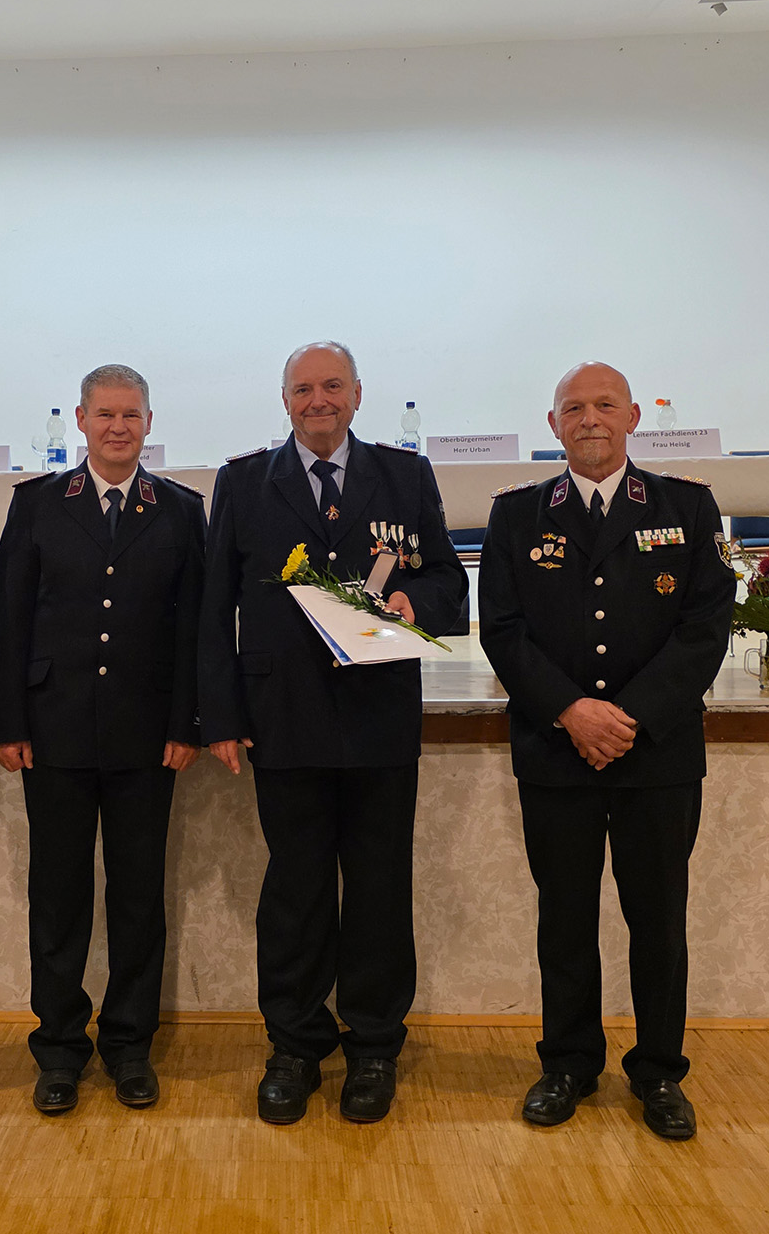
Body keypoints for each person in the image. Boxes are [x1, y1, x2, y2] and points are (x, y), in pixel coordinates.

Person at [198, 341, 467, 1125]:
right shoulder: (245, 480)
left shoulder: (405, 474)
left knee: (379, 887)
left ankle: (374, 1045)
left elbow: (449, 579)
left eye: (332, 386)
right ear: (285, 399)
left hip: (380, 713)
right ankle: (295, 1044)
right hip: (282, 716)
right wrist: (222, 715)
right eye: (303, 389)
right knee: (296, 889)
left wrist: (416, 602)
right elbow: (214, 609)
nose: (318, 400)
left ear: (357, 394)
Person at [477, 361, 735, 1141]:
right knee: (564, 918)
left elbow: (705, 628)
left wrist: (627, 717)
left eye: (604, 404)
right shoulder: (517, 514)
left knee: (658, 920)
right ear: (553, 424)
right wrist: (570, 711)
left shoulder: (686, 506)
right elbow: (503, 631)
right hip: (556, 751)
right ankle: (568, 1063)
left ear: (631, 418)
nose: (589, 418)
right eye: (573, 407)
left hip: (656, 753)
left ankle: (659, 1071)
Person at [0, 364, 207, 1115]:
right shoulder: (39, 504)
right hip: (52, 733)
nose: (118, 427)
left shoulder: (180, 509)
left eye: (131, 415)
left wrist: (187, 722)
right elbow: (10, 619)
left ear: (148, 423)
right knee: (58, 898)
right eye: (105, 414)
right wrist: (9, 722)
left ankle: (129, 1047)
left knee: (139, 897)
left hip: (148, 737)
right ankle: (58, 1048)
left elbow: (196, 625)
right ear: (80, 420)